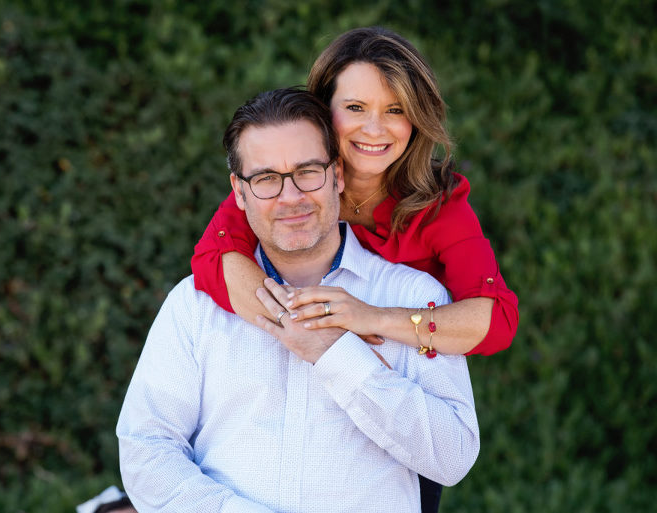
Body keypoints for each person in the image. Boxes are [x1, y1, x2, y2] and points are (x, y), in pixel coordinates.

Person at [191, 26, 519, 512]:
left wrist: (372, 318)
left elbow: (496, 320)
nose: (375, 129)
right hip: (289, 400)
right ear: (324, 110)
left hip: (392, 411)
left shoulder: (439, 204)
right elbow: (213, 259)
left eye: (395, 110)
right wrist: (305, 330)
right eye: (356, 108)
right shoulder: (291, 186)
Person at [117, 87, 479, 512]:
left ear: (338, 175)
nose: (291, 198)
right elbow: (146, 451)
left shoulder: (413, 297)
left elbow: (453, 458)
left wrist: (339, 356)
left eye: (307, 171)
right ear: (239, 191)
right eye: (266, 178)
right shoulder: (194, 305)